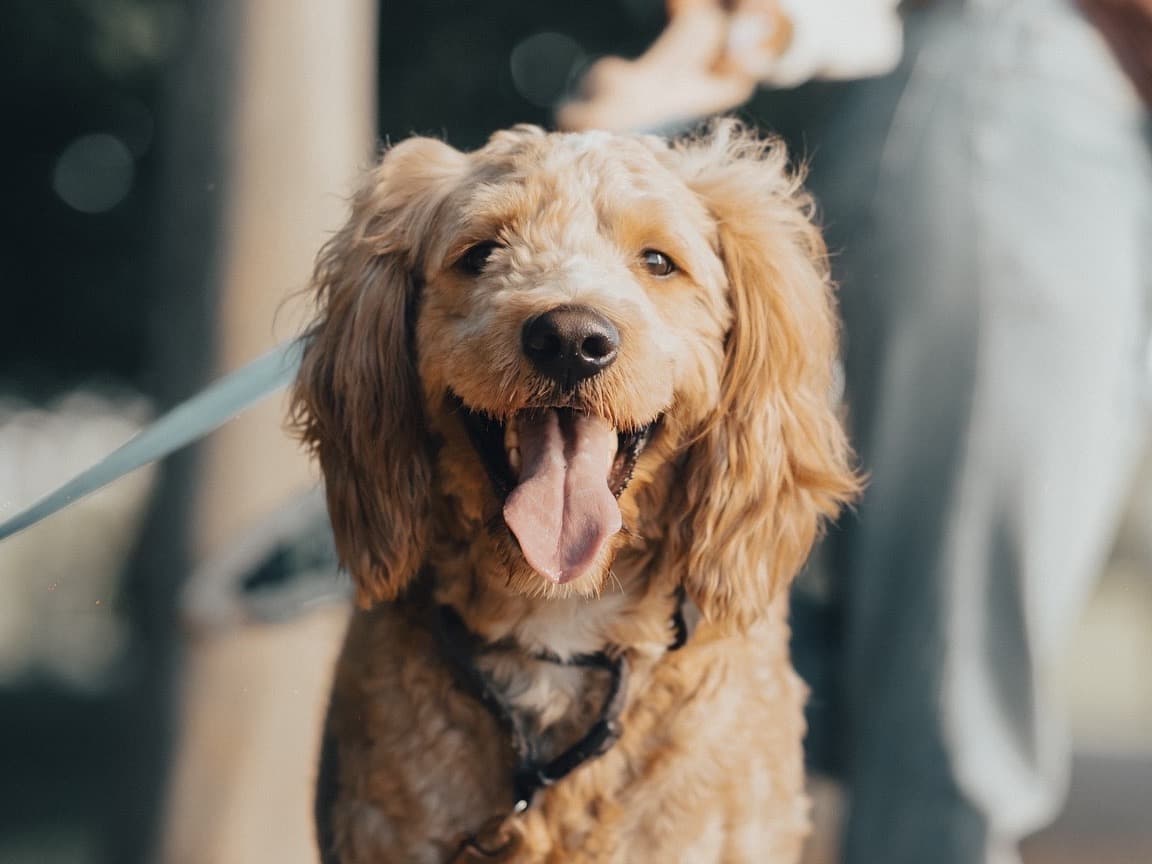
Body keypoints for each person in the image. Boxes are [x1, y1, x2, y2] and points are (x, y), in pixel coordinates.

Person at [561, 2, 1152, 863]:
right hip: (1019, 89)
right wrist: (743, 34)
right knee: (953, 704)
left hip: (1093, 130)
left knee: (909, 659)